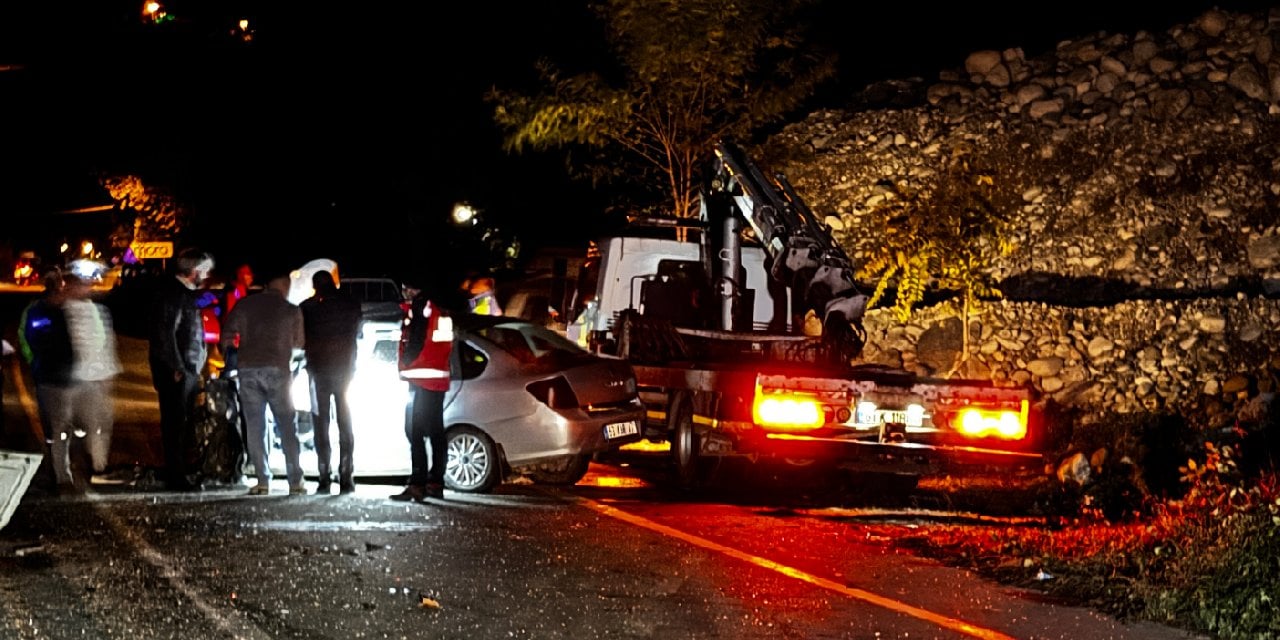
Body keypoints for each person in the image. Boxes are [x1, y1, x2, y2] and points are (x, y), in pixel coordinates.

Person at [222, 274, 305, 496]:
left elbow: (228, 334)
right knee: (287, 425)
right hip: (278, 370)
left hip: (248, 369)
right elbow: (299, 344)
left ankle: (262, 481)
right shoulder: (290, 310)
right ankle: (295, 481)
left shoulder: (245, 305)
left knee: (255, 426)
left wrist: (232, 357)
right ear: (285, 286)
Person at [49, 260, 121, 492]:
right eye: (80, 283)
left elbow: (106, 343)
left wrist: (109, 373)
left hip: (94, 380)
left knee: (99, 426)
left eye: (88, 283)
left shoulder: (99, 311)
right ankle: (63, 476)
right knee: (62, 430)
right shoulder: (58, 312)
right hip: (65, 382)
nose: (85, 287)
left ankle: (98, 467)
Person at [148, 248, 215, 491]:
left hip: (185, 369)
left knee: (181, 423)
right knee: (175, 424)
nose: (206, 277)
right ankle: (176, 476)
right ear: (193, 271)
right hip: (178, 371)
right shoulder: (174, 295)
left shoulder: (181, 294)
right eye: (204, 271)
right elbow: (165, 334)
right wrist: (176, 366)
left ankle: (180, 472)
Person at [299, 270, 362, 494]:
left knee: (321, 424)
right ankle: (346, 476)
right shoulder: (351, 304)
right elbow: (357, 333)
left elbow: (301, 340)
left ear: (314, 286)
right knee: (345, 424)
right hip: (345, 370)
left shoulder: (307, 307)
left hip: (318, 372)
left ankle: (324, 477)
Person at [392, 282, 455, 502]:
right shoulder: (438, 310)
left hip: (420, 379)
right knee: (436, 432)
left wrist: (405, 365)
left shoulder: (421, 309)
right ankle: (435, 482)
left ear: (414, 288)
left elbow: (416, 341)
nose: (403, 292)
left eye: (405, 287)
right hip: (435, 379)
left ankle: (418, 483)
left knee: (414, 431)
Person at [17, 267, 66, 452]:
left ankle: (59, 439)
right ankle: (52, 441)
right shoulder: (35, 308)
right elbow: (24, 334)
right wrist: (31, 358)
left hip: (61, 367)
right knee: (47, 405)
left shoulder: (66, 306)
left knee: (60, 404)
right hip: (44, 367)